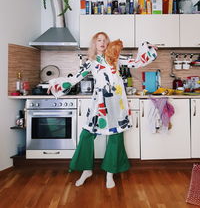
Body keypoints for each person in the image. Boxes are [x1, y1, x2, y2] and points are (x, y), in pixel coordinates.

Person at [48, 31, 157, 188]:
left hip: (116, 103)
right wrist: (54, 85)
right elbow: (74, 78)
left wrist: (149, 50)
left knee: (115, 137)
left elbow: (135, 62)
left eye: (105, 40)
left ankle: (110, 173)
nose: (102, 42)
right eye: (99, 40)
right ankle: (86, 170)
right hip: (98, 103)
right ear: (94, 43)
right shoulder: (90, 61)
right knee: (87, 134)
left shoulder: (116, 58)